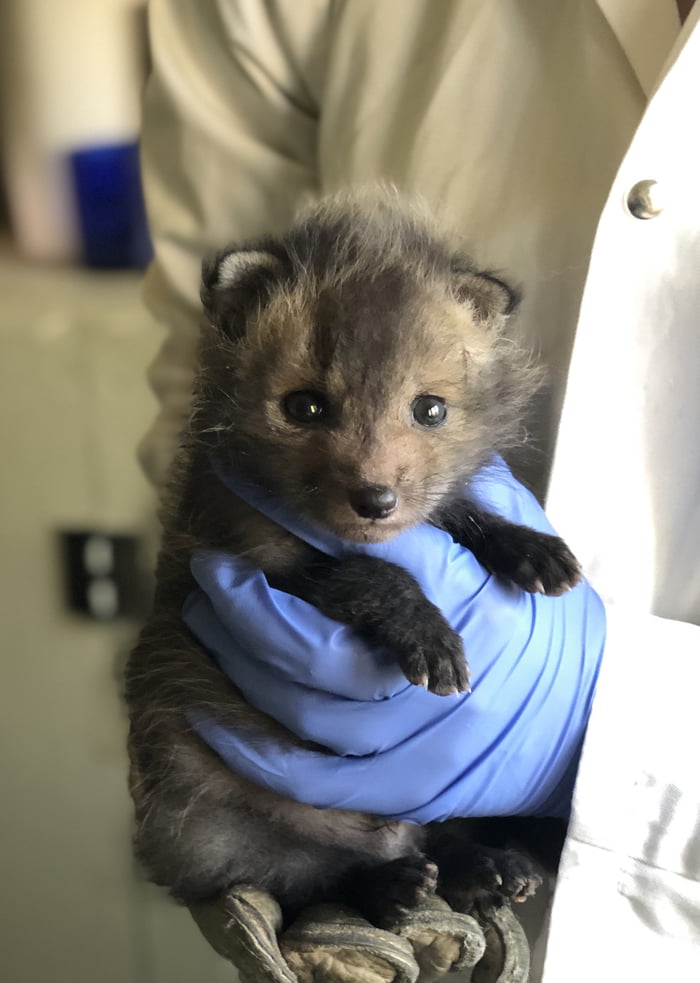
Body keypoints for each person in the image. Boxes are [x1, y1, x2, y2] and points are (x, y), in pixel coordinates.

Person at [137, 2, 700, 981]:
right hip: (308, 835)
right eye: (310, 408)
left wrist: (604, 732)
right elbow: (201, 383)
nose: (372, 467)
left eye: (424, 416)